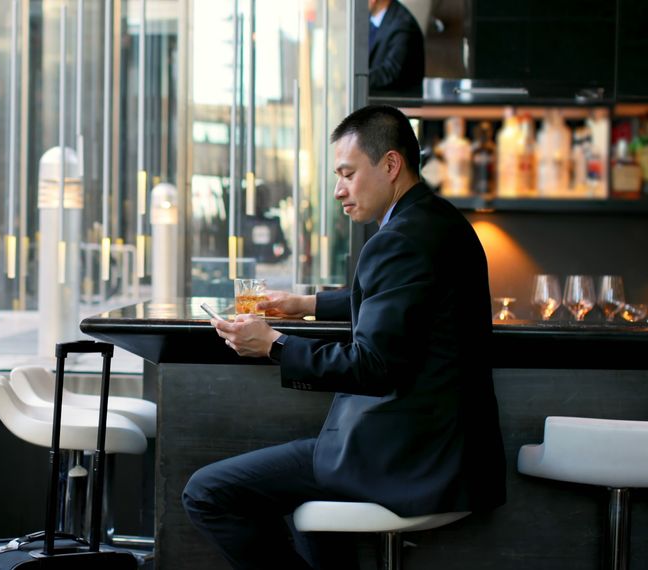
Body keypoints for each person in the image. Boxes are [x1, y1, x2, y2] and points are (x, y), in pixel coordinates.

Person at [182, 105, 506, 569]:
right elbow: (399, 300)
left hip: (406, 456)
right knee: (300, 498)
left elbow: (373, 366)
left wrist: (272, 344)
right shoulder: (440, 222)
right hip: (447, 451)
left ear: (391, 165)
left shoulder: (398, 240)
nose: (338, 190)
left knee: (207, 492)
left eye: (348, 174)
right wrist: (305, 304)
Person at [368, 0, 425, 95]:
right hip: (374, 101)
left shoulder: (404, 25)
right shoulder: (369, 19)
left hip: (397, 105)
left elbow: (390, 73)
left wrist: (355, 79)